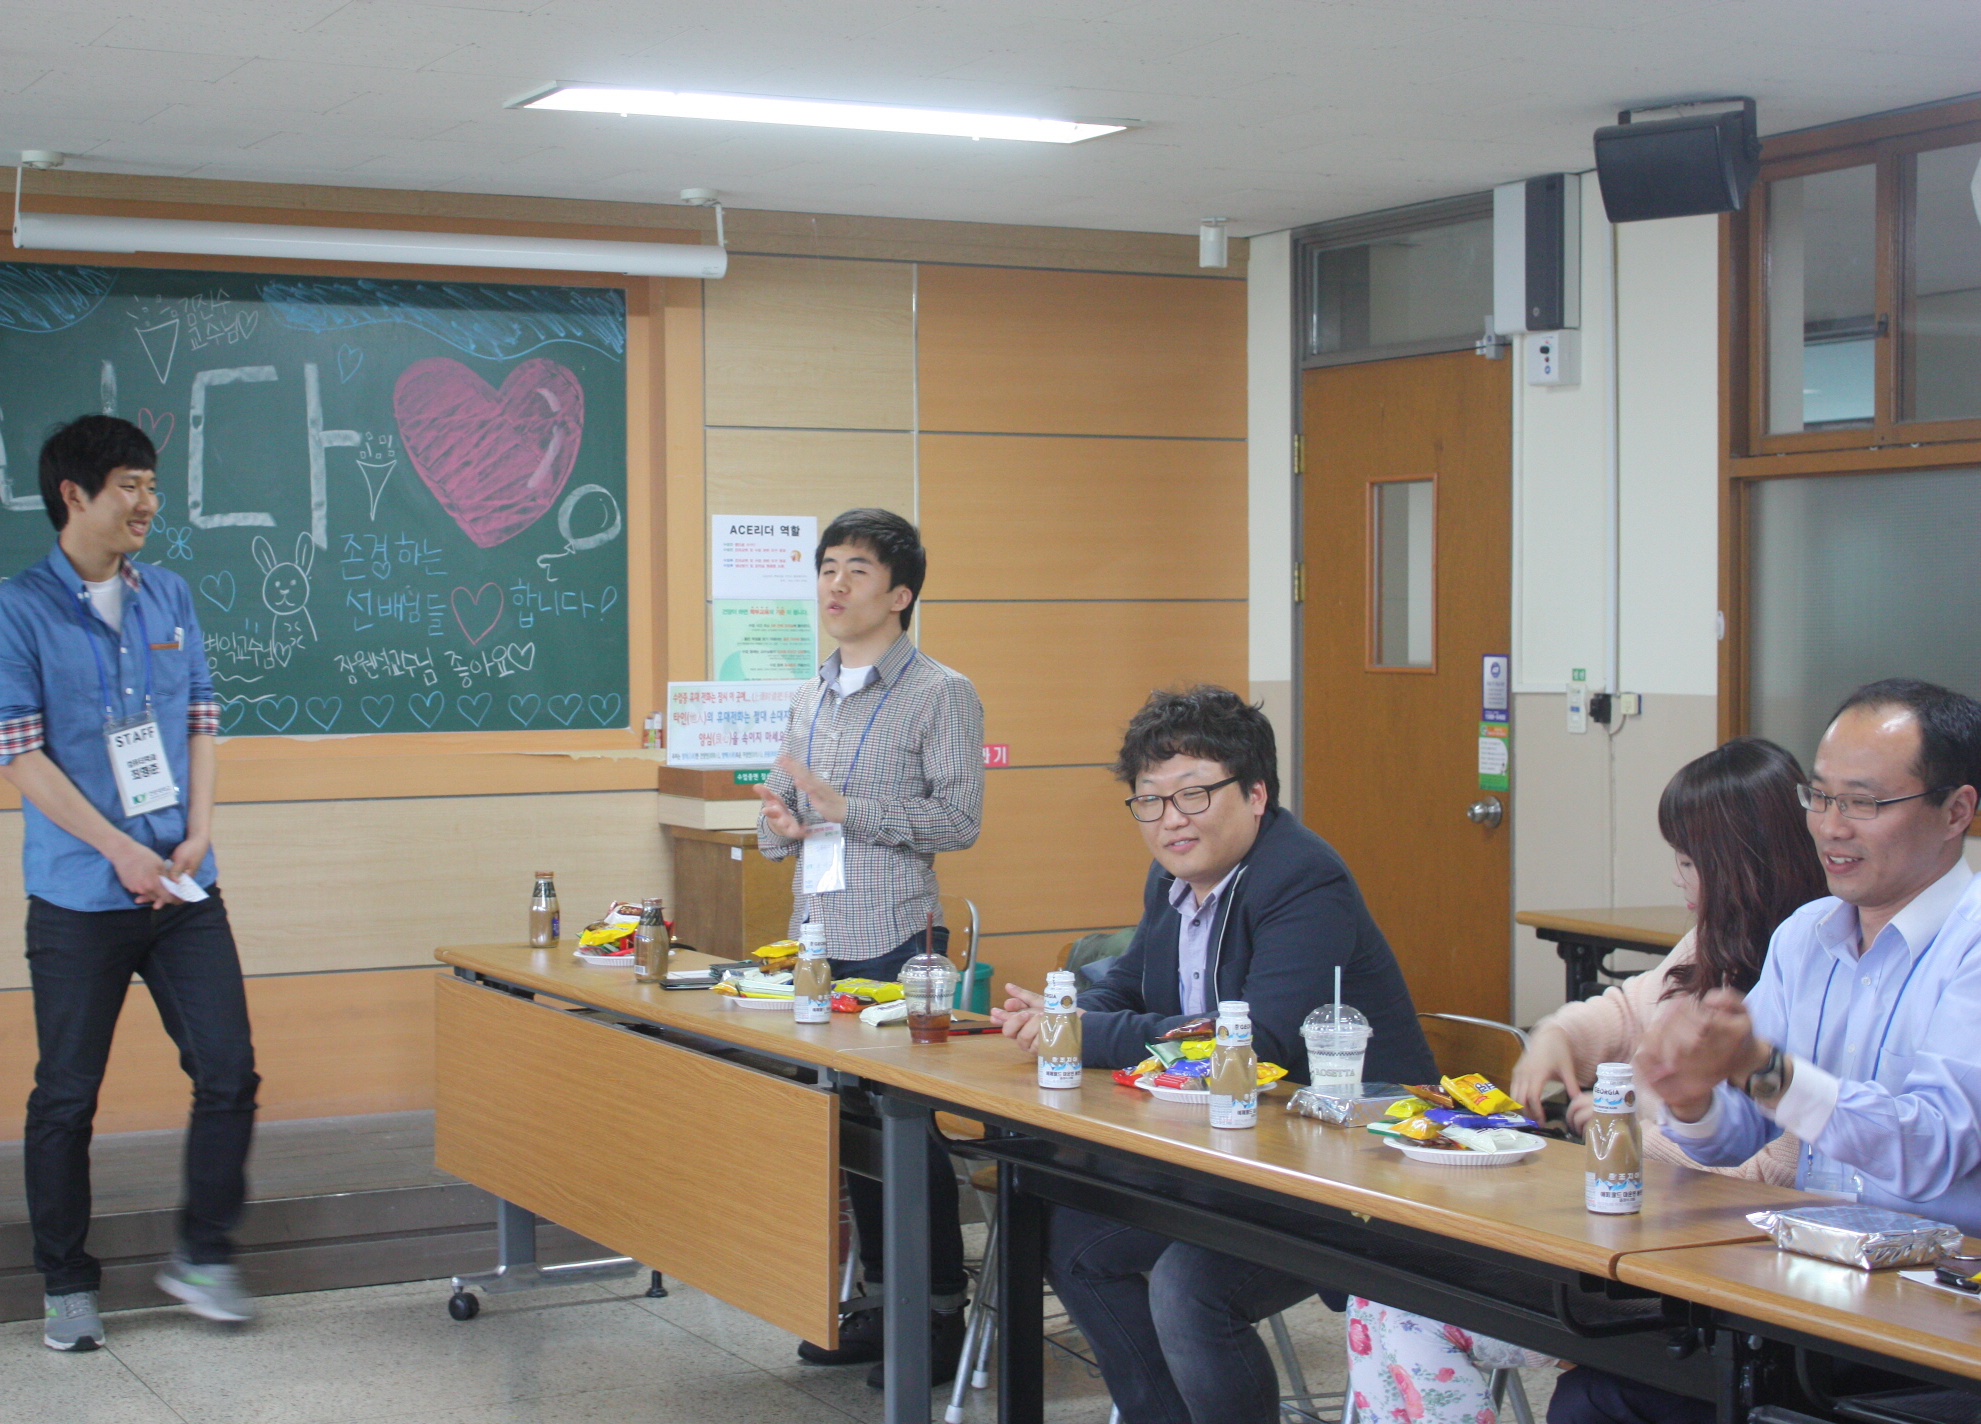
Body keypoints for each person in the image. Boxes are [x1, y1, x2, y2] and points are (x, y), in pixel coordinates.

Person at [1345, 737, 1824, 1424]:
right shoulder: (1713, 942)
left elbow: (1773, 1170)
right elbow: (1626, 1008)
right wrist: (1557, 1038)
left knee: (1402, 1306)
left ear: (1739, 869)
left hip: (1707, 1274)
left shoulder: (1807, 968)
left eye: (1689, 862)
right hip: (1631, 1239)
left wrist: (1628, 1138)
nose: (1677, 880)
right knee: (1388, 1294)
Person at [990, 685, 1436, 1424]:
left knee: (1188, 1289)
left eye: (1193, 794)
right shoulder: (1173, 877)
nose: (1171, 819)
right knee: (1073, 1240)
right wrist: (1064, 1016)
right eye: (1150, 800)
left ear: (1256, 794)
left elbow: (1257, 1043)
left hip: (1348, 1167)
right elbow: (1131, 984)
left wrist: (1083, 1036)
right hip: (1231, 1155)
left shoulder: (1303, 878)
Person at [0, 416, 260, 1351]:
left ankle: (203, 1254)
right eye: (131, 485)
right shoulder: (10, 612)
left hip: (183, 887)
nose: (148, 504)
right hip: (78, 897)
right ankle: (65, 1283)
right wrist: (117, 850)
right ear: (75, 495)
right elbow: (20, 755)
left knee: (228, 1072)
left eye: (152, 486)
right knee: (67, 1096)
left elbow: (201, 719)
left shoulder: (168, 595)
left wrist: (198, 833)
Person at [1618, 681, 1981, 1424]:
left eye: (1864, 803)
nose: (1831, 828)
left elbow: (1932, 1148)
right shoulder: (1805, 935)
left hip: (1935, 1305)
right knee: (1606, 1384)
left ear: (1956, 811)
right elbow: (1738, 1135)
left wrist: (1763, 1071)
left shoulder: (1971, 947)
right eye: (1819, 797)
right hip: (1806, 1285)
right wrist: (1693, 1095)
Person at [756, 508, 985, 1386]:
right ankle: (882, 1307)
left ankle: (937, 1317)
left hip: (896, 939)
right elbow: (781, 818)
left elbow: (957, 820)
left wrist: (850, 810)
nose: (835, 584)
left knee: (905, 1135)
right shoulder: (809, 693)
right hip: (815, 940)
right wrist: (781, 825)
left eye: (856, 569)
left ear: (900, 594)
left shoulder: (941, 692)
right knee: (844, 1132)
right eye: (827, 567)